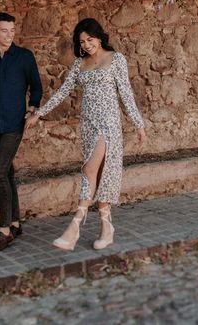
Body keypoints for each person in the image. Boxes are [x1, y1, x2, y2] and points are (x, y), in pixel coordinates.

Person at [25, 17, 146, 251]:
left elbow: (126, 94)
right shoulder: (79, 64)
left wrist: (138, 124)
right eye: (82, 41)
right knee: (99, 175)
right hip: (88, 125)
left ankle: (74, 227)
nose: (87, 44)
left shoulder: (116, 59)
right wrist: (39, 113)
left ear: (99, 37)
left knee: (89, 169)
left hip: (108, 124)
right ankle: (106, 228)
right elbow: (62, 92)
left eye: (90, 39)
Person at [0, 11, 43, 252]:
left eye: (12, 31)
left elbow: (37, 85)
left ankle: (4, 230)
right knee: (8, 173)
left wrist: (32, 109)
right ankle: (15, 222)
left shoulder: (24, 57)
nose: (9, 35)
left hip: (15, 124)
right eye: (4, 30)